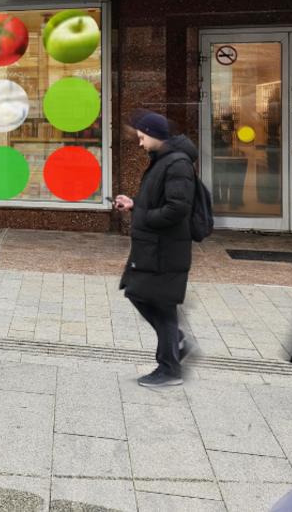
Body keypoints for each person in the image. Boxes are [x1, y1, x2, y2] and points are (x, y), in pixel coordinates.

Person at [114, 110, 197, 388]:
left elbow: (177, 208)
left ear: (154, 135)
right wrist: (134, 204)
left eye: (142, 138)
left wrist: (143, 216)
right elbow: (161, 199)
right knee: (142, 295)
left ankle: (170, 368)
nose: (140, 143)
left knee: (158, 303)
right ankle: (176, 346)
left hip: (165, 248)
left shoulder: (177, 164)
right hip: (155, 246)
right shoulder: (163, 160)